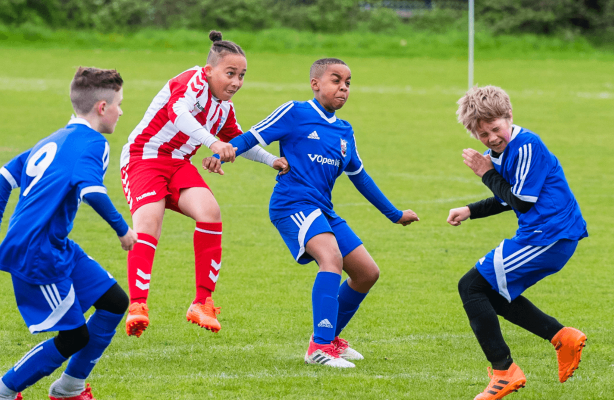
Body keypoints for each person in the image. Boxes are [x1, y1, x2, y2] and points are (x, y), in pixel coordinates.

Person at [228, 58, 419, 368]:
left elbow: (360, 177)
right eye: (335, 80)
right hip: (292, 204)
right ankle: (318, 348)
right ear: (315, 84)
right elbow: (252, 136)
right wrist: (221, 154)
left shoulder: (345, 131)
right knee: (331, 259)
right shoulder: (296, 112)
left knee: (367, 273)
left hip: (323, 209)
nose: (343, 87)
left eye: (347, 83)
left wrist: (394, 214)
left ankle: (329, 340)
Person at [121, 30, 289, 337]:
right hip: (143, 158)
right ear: (209, 70)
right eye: (230, 74)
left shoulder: (224, 107)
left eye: (242, 75)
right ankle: (138, 306)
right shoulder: (191, 82)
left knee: (210, 212)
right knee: (149, 222)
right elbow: (179, 114)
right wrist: (212, 143)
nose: (237, 82)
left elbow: (237, 142)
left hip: (178, 164)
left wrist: (270, 160)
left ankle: (202, 302)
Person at [0, 67, 137, 400]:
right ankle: (4, 390)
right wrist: (123, 231)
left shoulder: (55, 138)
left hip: (56, 245)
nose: (121, 110)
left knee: (115, 302)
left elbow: (4, 176)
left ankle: (70, 387)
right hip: (38, 253)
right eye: (118, 103)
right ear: (101, 108)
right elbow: (92, 191)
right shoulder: (93, 143)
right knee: (74, 337)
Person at [448, 85, 589, 400]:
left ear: (508, 116)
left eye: (496, 129)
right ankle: (562, 338)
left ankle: (504, 372)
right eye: (483, 135)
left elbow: (522, 201)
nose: (492, 138)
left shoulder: (526, 145)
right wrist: (471, 210)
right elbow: (506, 197)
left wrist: (485, 172)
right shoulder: (500, 153)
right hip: (544, 235)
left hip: (549, 236)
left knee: (470, 287)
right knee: (490, 293)